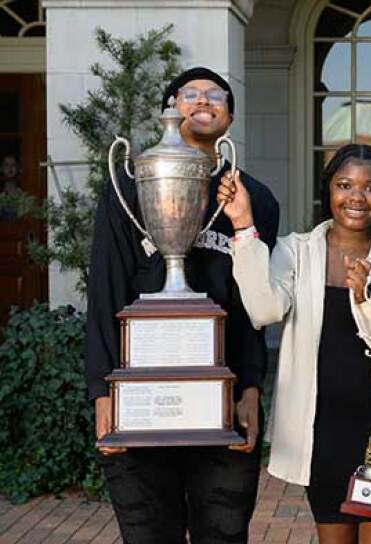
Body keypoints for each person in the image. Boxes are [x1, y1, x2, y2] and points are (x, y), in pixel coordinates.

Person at [85, 66, 280, 544]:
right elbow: (106, 288)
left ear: (230, 117)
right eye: (188, 93)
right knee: (149, 533)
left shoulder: (256, 198)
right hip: (139, 395)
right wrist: (101, 390)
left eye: (216, 95)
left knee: (224, 532)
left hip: (223, 398)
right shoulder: (128, 187)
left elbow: (254, 302)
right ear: (170, 110)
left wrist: (252, 387)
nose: (202, 101)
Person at [218, 143, 371, 544]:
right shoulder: (295, 252)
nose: (356, 197)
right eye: (344, 184)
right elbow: (263, 310)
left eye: (370, 188)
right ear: (328, 190)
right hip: (322, 435)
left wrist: (366, 301)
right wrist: (244, 226)